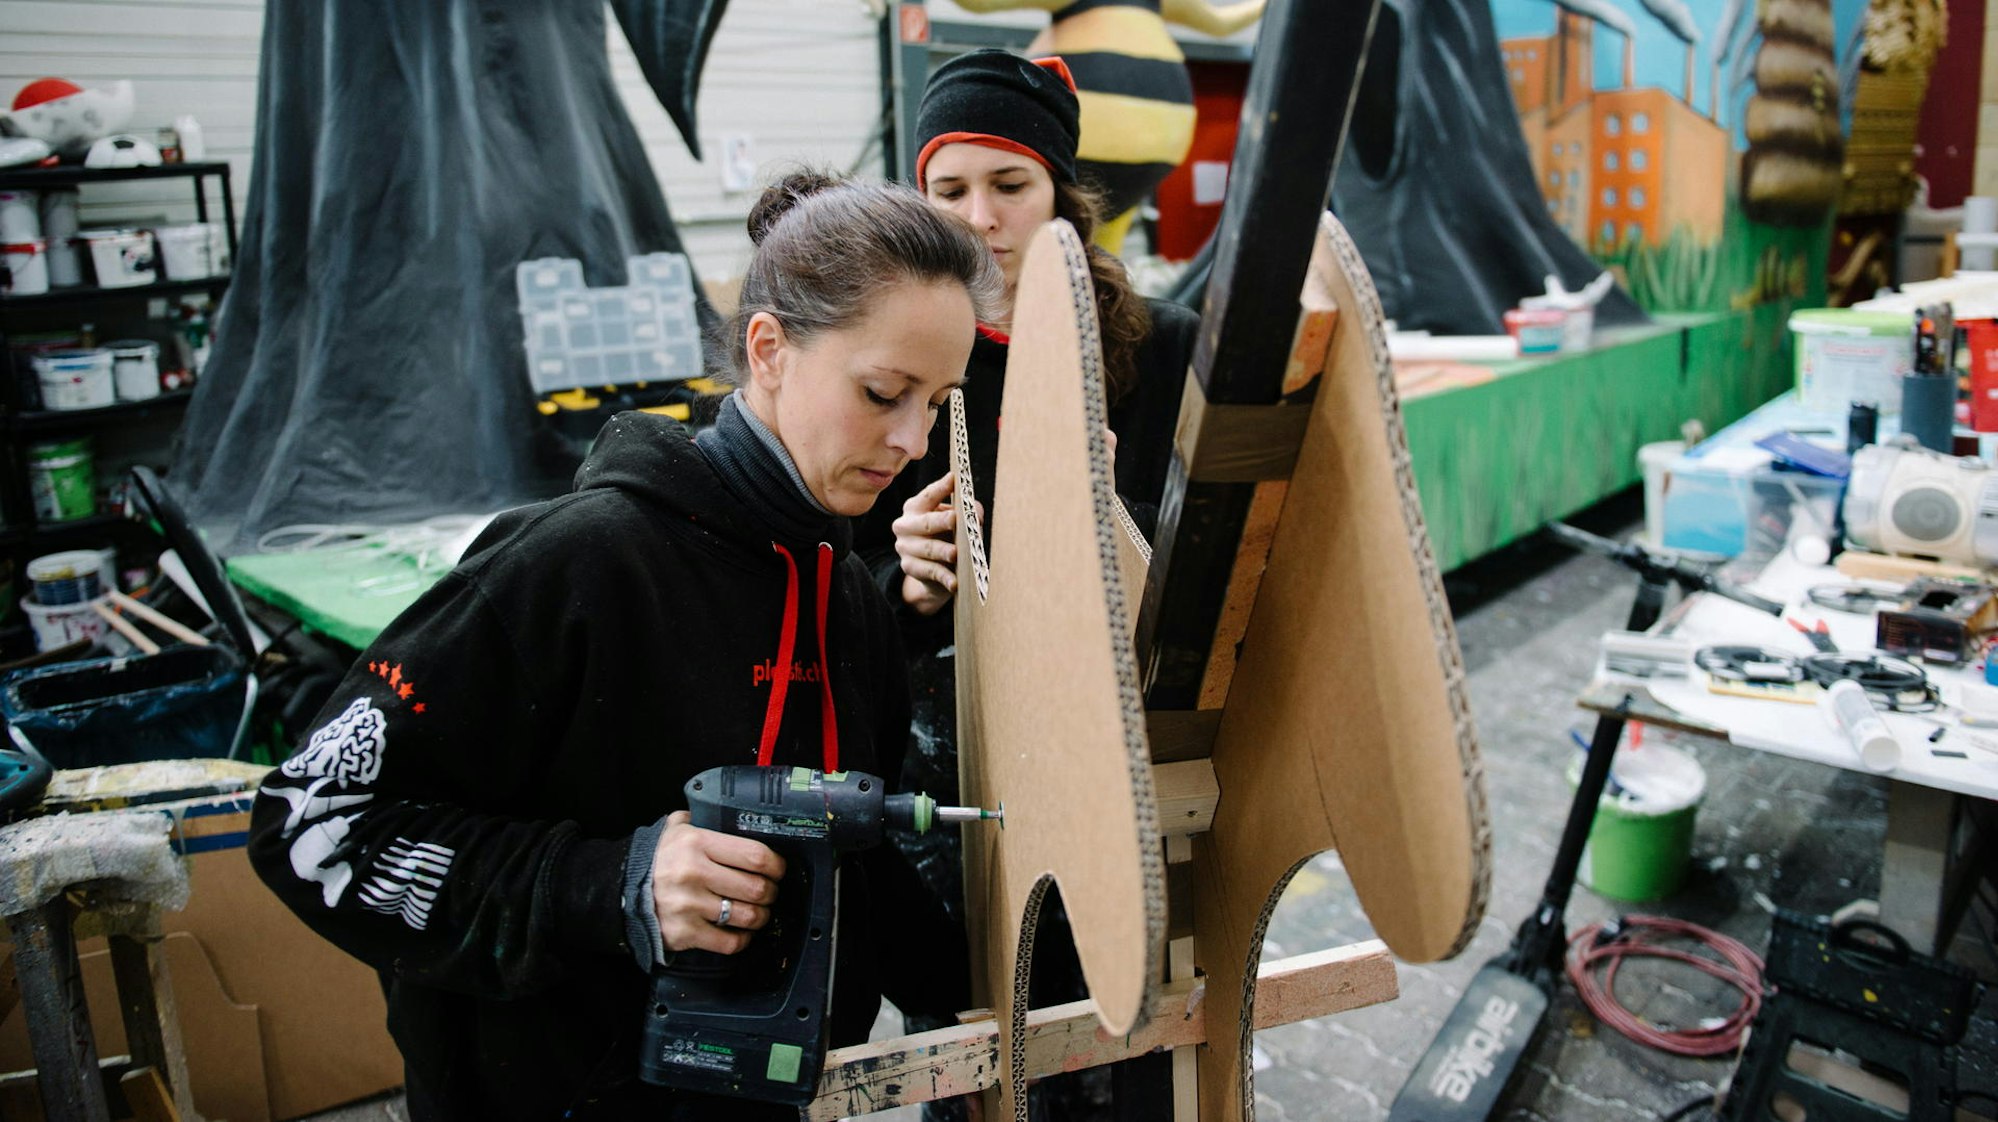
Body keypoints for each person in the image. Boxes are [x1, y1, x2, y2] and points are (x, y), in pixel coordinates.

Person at [247, 171, 1003, 1120]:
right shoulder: (578, 566)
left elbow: (855, 860)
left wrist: (1009, 994)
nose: (912, 441)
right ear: (768, 349)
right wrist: (613, 883)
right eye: (883, 392)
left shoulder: (846, 595)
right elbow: (310, 819)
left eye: (937, 403)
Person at [853, 47, 1201, 1118]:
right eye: (948, 189)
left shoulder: (1157, 349)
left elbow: (1200, 567)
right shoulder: (891, 358)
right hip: (950, 760)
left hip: (1109, 732)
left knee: (1117, 1012)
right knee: (969, 1032)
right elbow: (839, 575)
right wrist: (903, 582)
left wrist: (1110, 519)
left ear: (1062, 194)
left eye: (1010, 183)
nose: (980, 218)